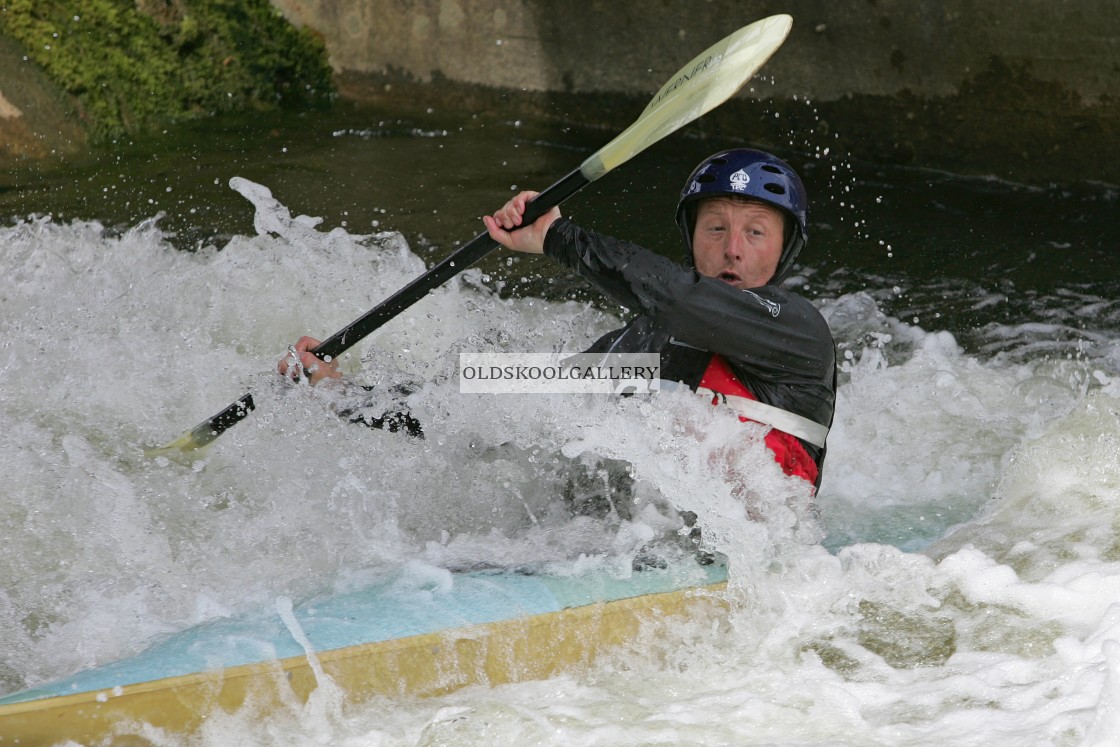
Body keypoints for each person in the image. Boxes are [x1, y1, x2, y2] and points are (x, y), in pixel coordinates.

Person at [281, 148, 836, 489]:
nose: (733, 249)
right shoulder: (641, 345)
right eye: (715, 227)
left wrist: (555, 238)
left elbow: (682, 301)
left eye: (755, 232)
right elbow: (485, 408)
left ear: (784, 249)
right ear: (691, 238)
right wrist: (344, 395)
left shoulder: (798, 334)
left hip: (759, 569)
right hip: (630, 551)